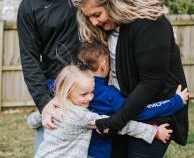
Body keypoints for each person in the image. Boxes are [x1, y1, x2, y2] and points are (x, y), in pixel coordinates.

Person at [70, 0, 189, 158]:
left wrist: (115, 121)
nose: (93, 21)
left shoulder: (151, 25)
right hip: (122, 109)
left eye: (97, 14)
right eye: (89, 16)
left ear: (113, 2)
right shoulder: (106, 28)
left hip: (154, 112)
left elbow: (151, 83)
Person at [76, 41, 188, 158]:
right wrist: (175, 102)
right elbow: (138, 112)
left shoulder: (72, 88)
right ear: (104, 65)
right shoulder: (108, 95)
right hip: (98, 154)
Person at [35, 65, 167, 158]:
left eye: (92, 92)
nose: (90, 97)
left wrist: (41, 114)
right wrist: (154, 131)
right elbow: (118, 124)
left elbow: (32, 121)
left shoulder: (52, 107)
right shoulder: (81, 116)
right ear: (68, 92)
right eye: (84, 94)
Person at [17, 0, 79, 151]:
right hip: (56, 90)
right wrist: (44, 104)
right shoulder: (30, 5)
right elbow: (29, 59)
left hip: (96, 86)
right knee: (48, 152)